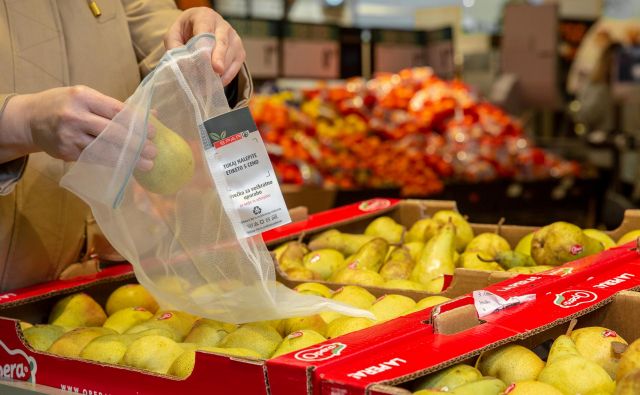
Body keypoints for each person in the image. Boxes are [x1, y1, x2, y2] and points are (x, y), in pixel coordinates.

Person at [0, 1, 250, 291]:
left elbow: (152, 24)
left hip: (106, 275)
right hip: (12, 281)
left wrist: (205, 50)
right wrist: (20, 121)